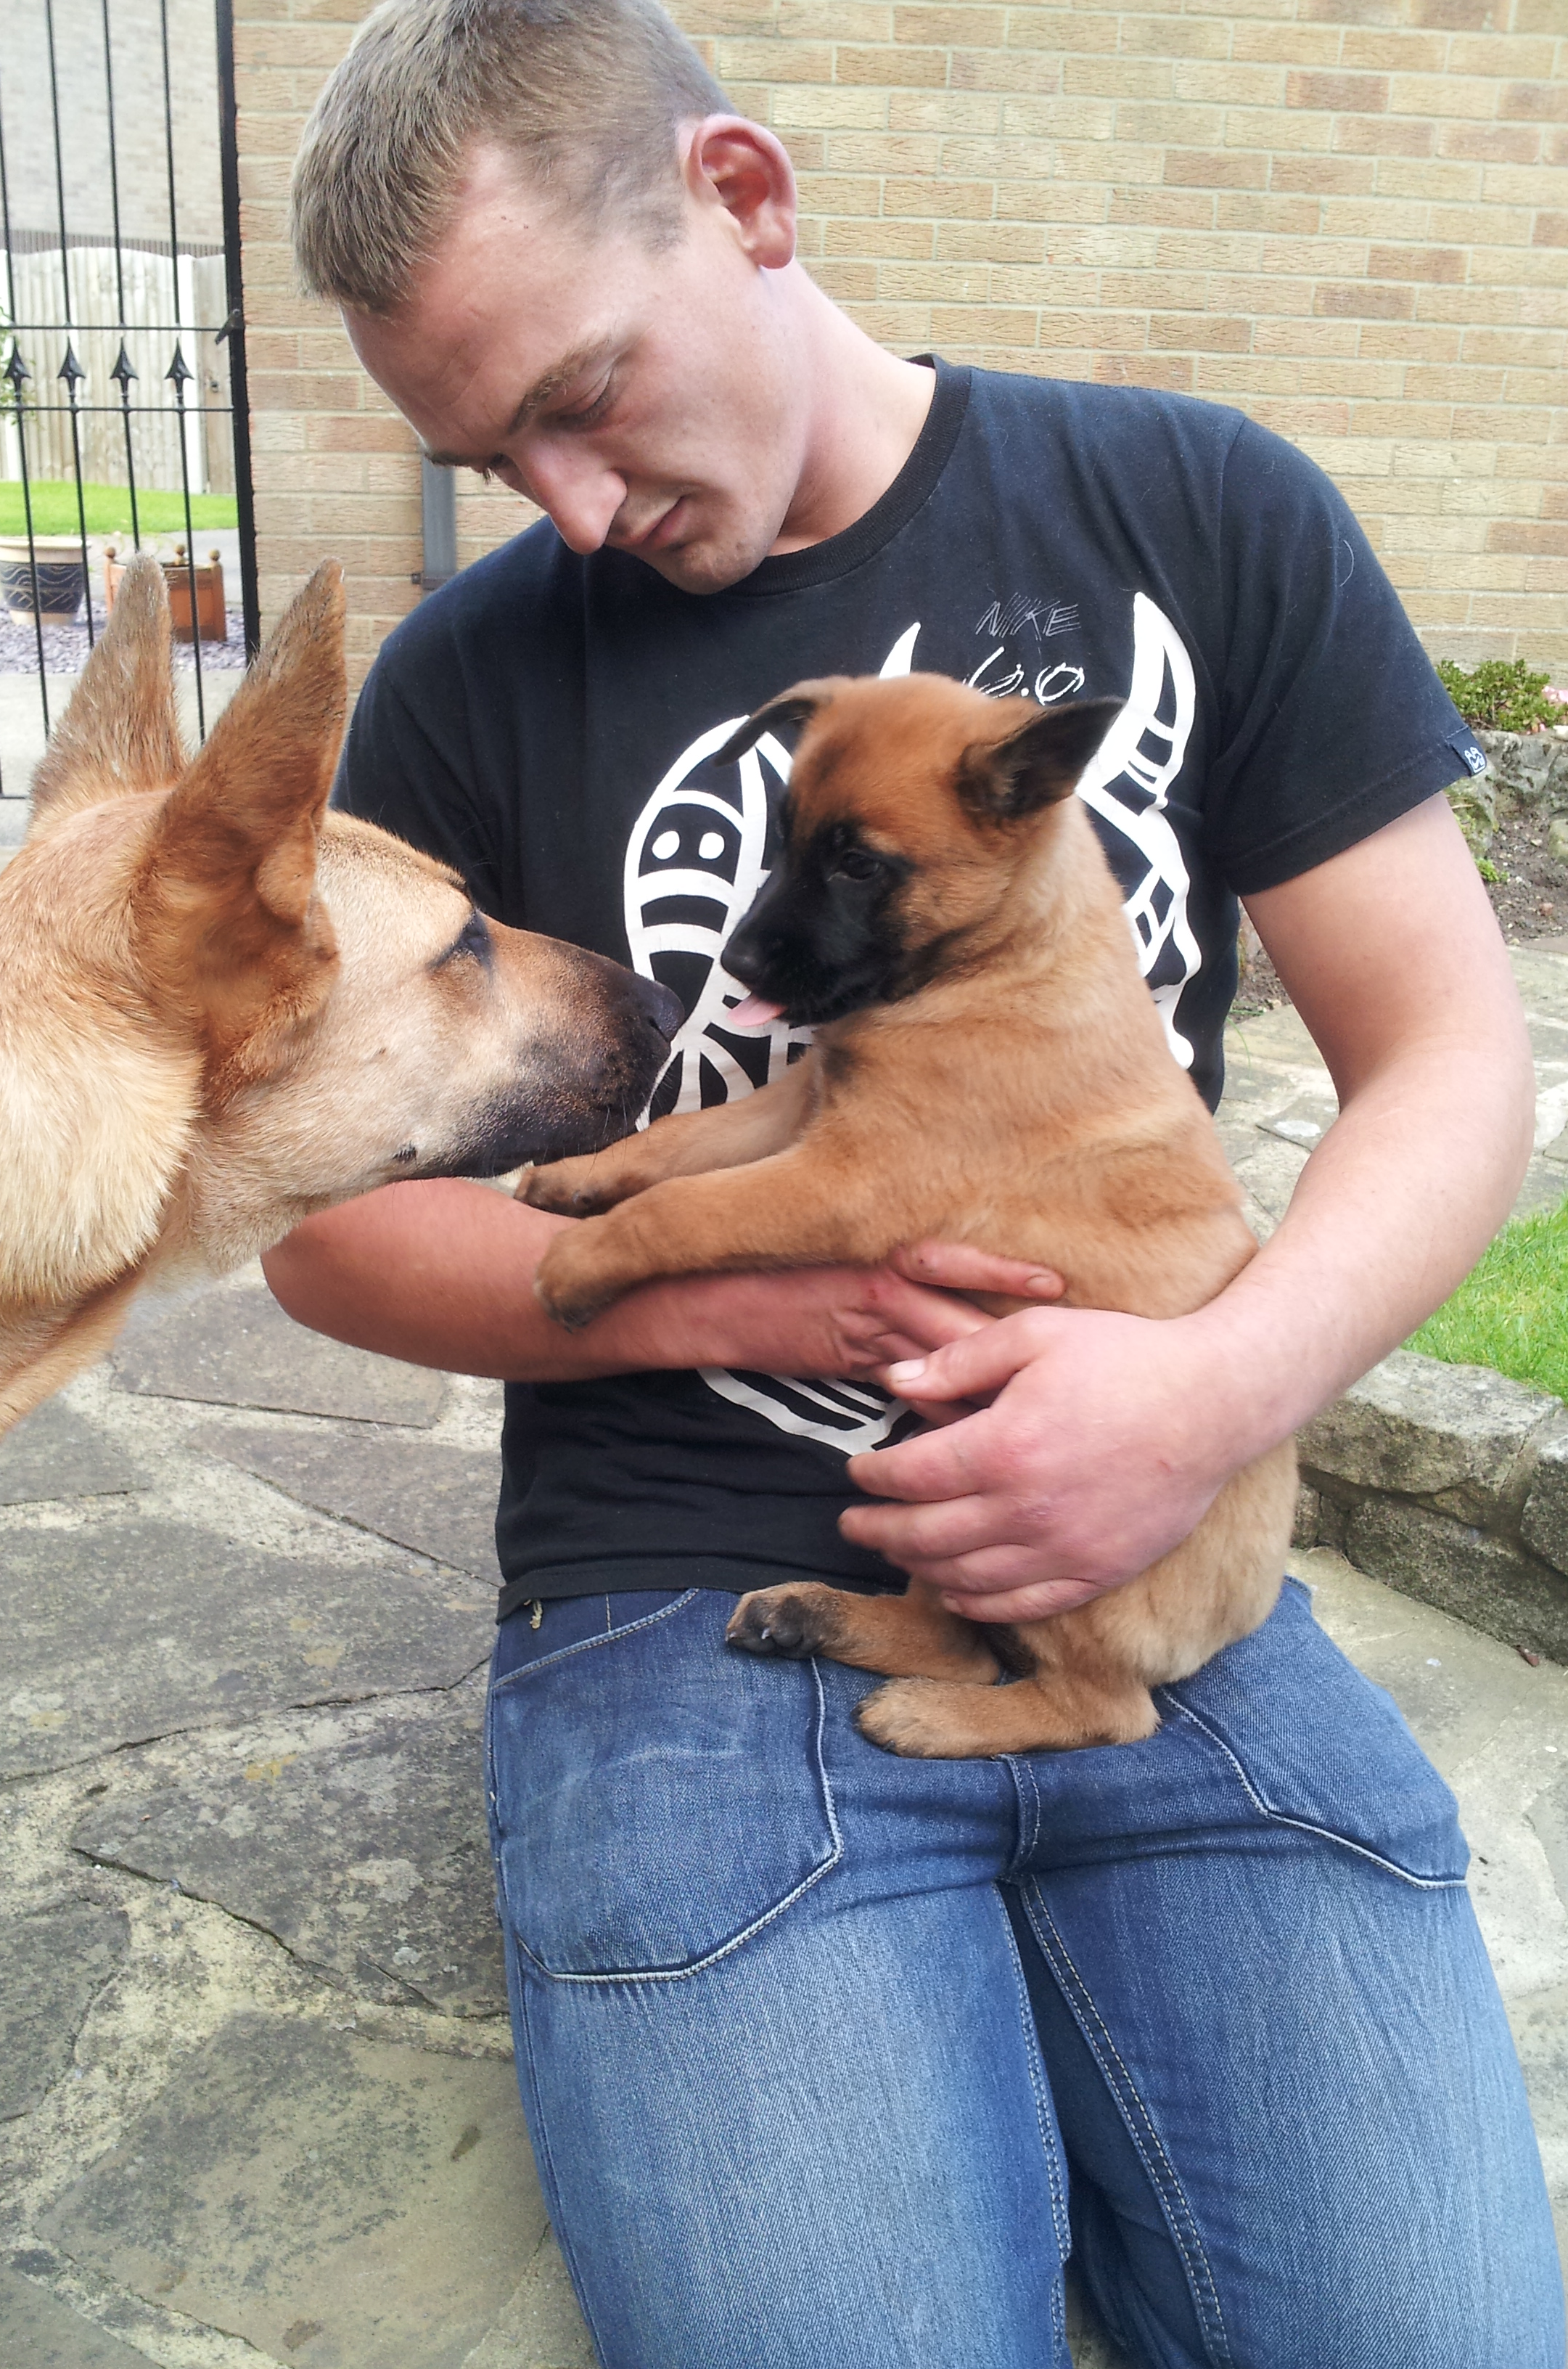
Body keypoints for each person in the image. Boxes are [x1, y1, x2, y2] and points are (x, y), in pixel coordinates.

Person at [272, 4, 1566, 2361]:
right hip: (686, 1601)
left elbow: (1456, 1059)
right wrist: (737, 1295)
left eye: (583, 394)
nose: (569, 508)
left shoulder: (1201, 508)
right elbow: (325, 1229)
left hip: (1167, 1557)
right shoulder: (467, 679)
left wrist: (1207, 1399)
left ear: (748, 198)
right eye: (485, 456)